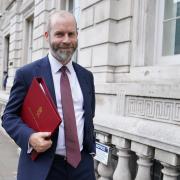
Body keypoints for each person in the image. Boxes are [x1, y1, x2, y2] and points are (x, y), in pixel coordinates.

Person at [1, 10, 96, 180]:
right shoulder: (27, 74)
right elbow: (8, 117)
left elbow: (88, 116)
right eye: (59, 34)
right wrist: (29, 137)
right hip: (43, 168)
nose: (66, 40)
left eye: (71, 34)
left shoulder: (86, 77)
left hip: (82, 168)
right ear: (47, 36)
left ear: (77, 35)